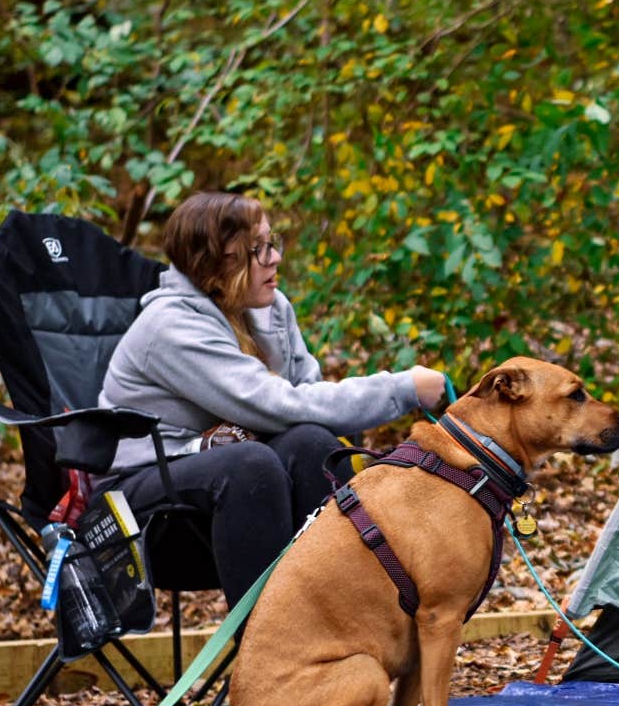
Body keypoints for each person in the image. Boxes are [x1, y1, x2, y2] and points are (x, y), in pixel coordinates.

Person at [99, 191, 448, 609]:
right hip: (141, 514)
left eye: (272, 241)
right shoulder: (170, 327)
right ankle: (269, 657)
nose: (275, 258)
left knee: (310, 444)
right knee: (252, 462)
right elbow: (279, 404)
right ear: (216, 262)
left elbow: (309, 405)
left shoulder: (267, 308)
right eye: (257, 250)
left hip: (230, 502)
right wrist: (401, 388)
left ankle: (338, 625)